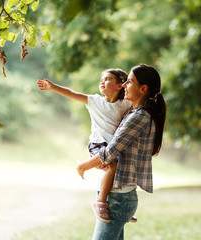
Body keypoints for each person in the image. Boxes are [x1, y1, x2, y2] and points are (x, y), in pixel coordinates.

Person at [76, 64, 166, 240]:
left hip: (119, 198)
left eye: (129, 81)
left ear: (143, 89)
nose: (124, 85)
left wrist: (82, 166)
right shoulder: (133, 112)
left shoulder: (139, 116)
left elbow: (110, 152)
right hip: (117, 196)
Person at [36, 69, 132, 223]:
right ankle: (100, 203)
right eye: (101, 79)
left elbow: (139, 101)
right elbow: (71, 93)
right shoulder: (95, 101)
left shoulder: (124, 104)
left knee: (121, 168)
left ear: (120, 85)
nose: (102, 82)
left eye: (107, 79)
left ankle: (121, 207)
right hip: (98, 144)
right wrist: (53, 87)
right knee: (112, 167)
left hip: (113, 146)